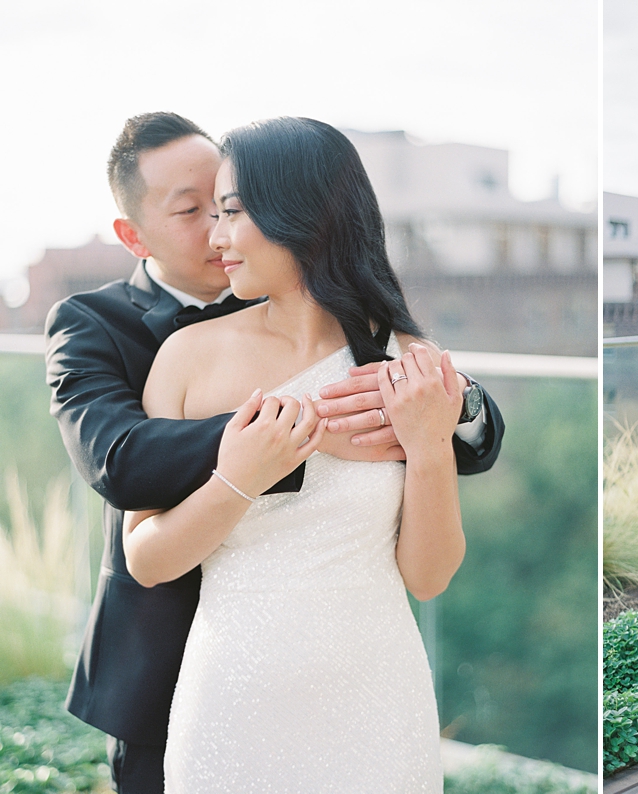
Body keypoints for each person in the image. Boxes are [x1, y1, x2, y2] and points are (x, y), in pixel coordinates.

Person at [44, 112, 504, 794]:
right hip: (223, 694)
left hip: (376, 697)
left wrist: (434, 433)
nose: (215, 234)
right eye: (196, 211)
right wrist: (262, 455)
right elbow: (121, 463)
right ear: (134, 235)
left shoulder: (398, 364)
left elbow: (430, 575)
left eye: (228, 209)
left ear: (300, 215)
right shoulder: (168, 351)